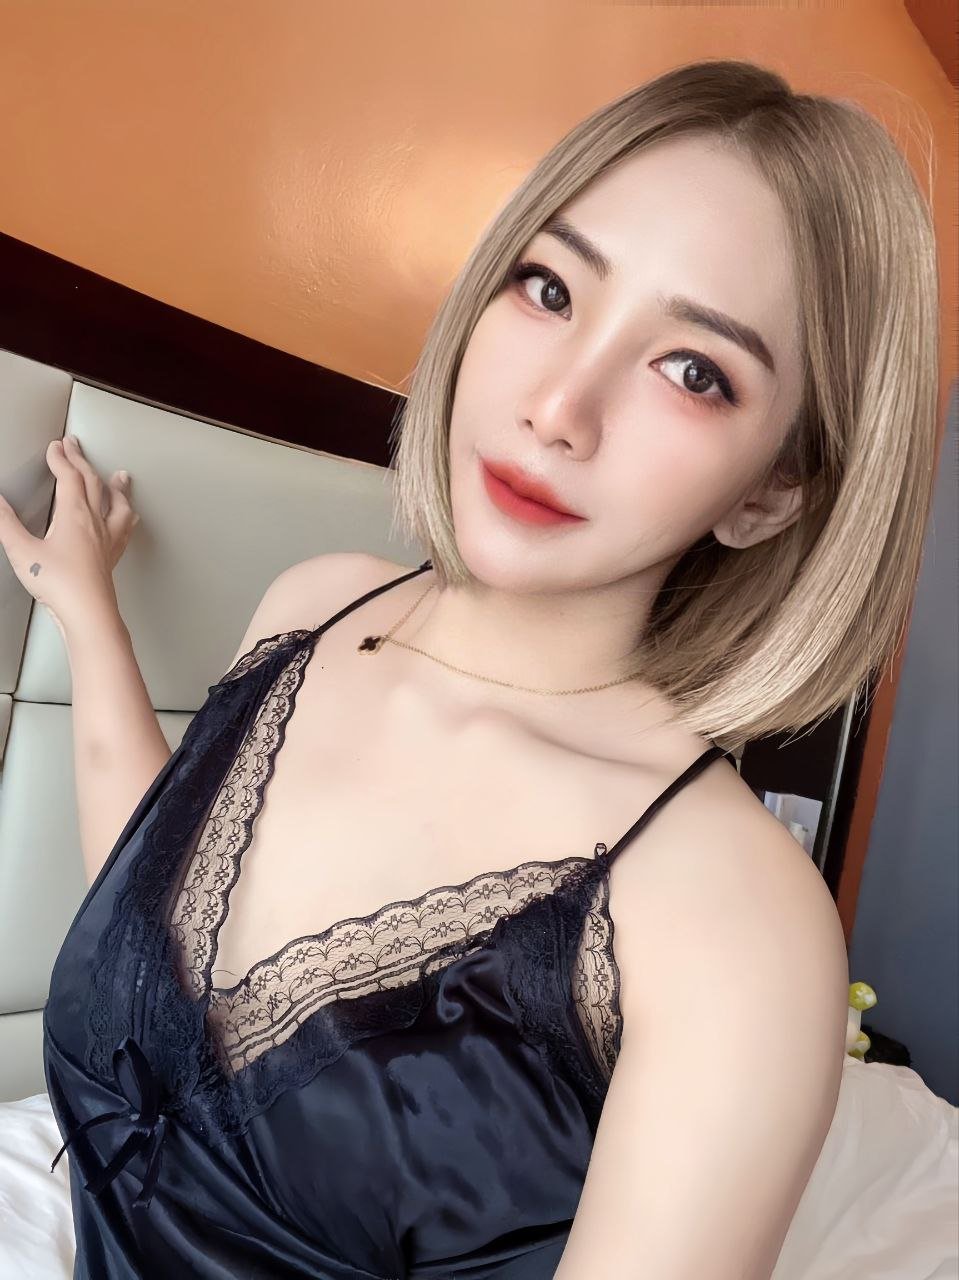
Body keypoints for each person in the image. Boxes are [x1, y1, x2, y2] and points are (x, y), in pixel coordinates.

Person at [0, 56, 940, 1280]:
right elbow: (151, 910)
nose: (557, 405)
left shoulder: (730, 915)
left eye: (692, 371)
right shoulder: (314, 603)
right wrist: (87, 608)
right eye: (548, 287)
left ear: (768, 492)